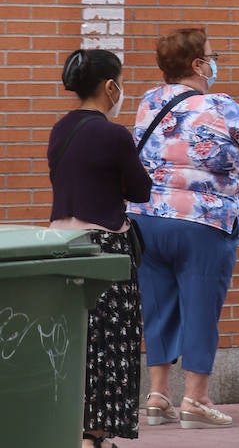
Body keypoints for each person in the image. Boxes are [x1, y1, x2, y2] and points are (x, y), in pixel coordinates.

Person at [128, 29, 239, 430]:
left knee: (157, 305)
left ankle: (156, 396)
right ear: (197, 64)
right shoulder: (220, 105)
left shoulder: (148, 102)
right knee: (201, 308)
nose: (215, 60)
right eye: (211, 55)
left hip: (147, 218)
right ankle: (196, 400)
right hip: (203, 222)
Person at [49, 48, 153, 448]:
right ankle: (95, 434)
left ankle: (74, 425)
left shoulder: (60, 128)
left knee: (76, 338)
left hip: (61, 243)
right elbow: (141, 188)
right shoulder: (113, 133)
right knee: (112, 342)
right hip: (105, 246)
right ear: (111, 86)